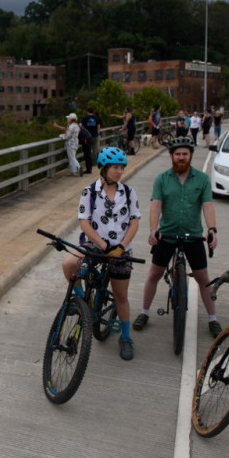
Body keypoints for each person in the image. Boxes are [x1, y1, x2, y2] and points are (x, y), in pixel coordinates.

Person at [132, 136, 221, 337]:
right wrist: (153, 229)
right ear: (172, 156)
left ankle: (213, 318)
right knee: (154, 274)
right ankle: (144, 312)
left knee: (202, 277)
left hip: (193, 235)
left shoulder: (202, 179)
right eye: (178, 154)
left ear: (190, 156)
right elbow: (156, 205)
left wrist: (212, 229)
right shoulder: (162, 179)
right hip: (168, 234)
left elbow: (207, 206)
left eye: (185, 154)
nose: (181, 157)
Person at [61, 147, 141, 359]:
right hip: (96, 245)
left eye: (121, 168)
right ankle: (82, 302)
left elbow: (134, 222)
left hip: (122, 248)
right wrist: (104, 245)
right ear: (104, 169)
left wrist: (121, 246)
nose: (119, 172)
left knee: (121, 296)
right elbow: (84, 223)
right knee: (69, 264)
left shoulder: (129, 193)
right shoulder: (90, 192)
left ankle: (125, 337)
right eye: (115, 167)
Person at [81, 108, 102, 174]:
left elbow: (81, 126)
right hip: (95, 136)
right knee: (95, 150)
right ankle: (94, 162)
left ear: (87, 111)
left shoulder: (84, 118)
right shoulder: (96, 118)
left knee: (88, 151)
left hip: (87, 137)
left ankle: (89, 164)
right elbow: (98, 127)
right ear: (93, 112)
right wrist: (98, 134)